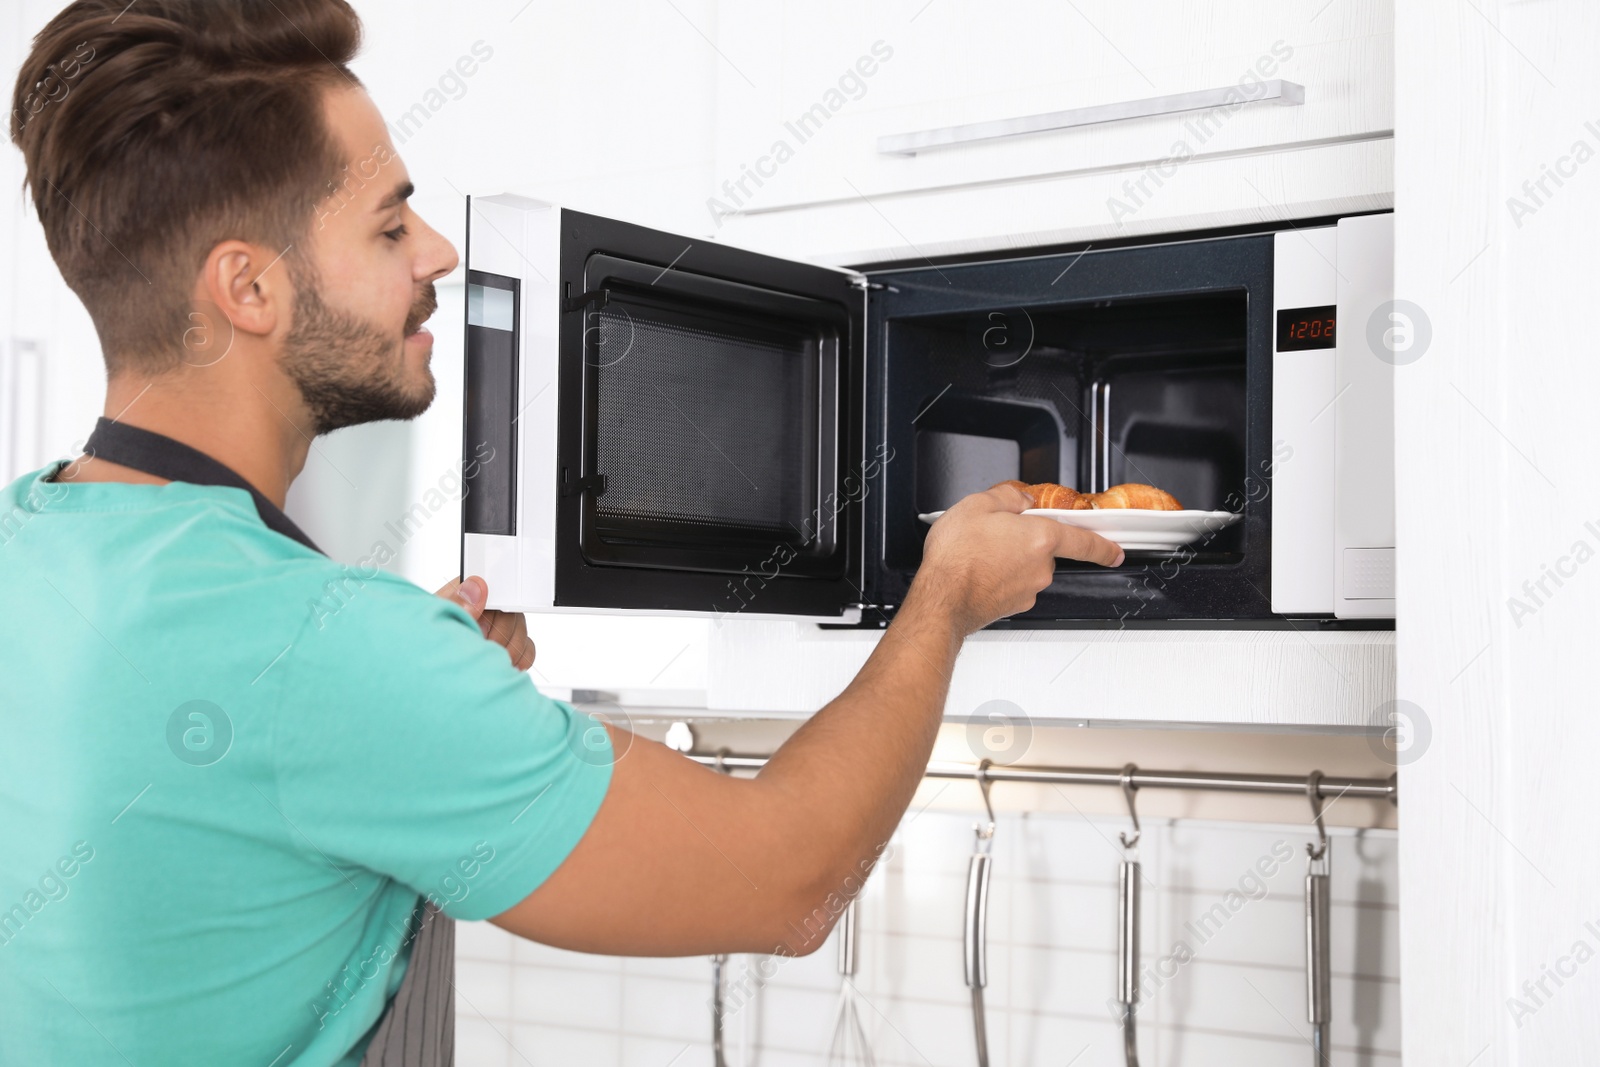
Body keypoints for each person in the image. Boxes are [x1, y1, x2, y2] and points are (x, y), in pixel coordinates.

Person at [0, 2, 1124, 1064]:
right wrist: (945, 602)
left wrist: (403, 696)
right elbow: (794, 884)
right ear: (248, 287)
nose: (437, 251)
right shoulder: (335, 652)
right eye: (390, 222)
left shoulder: (31, 540)